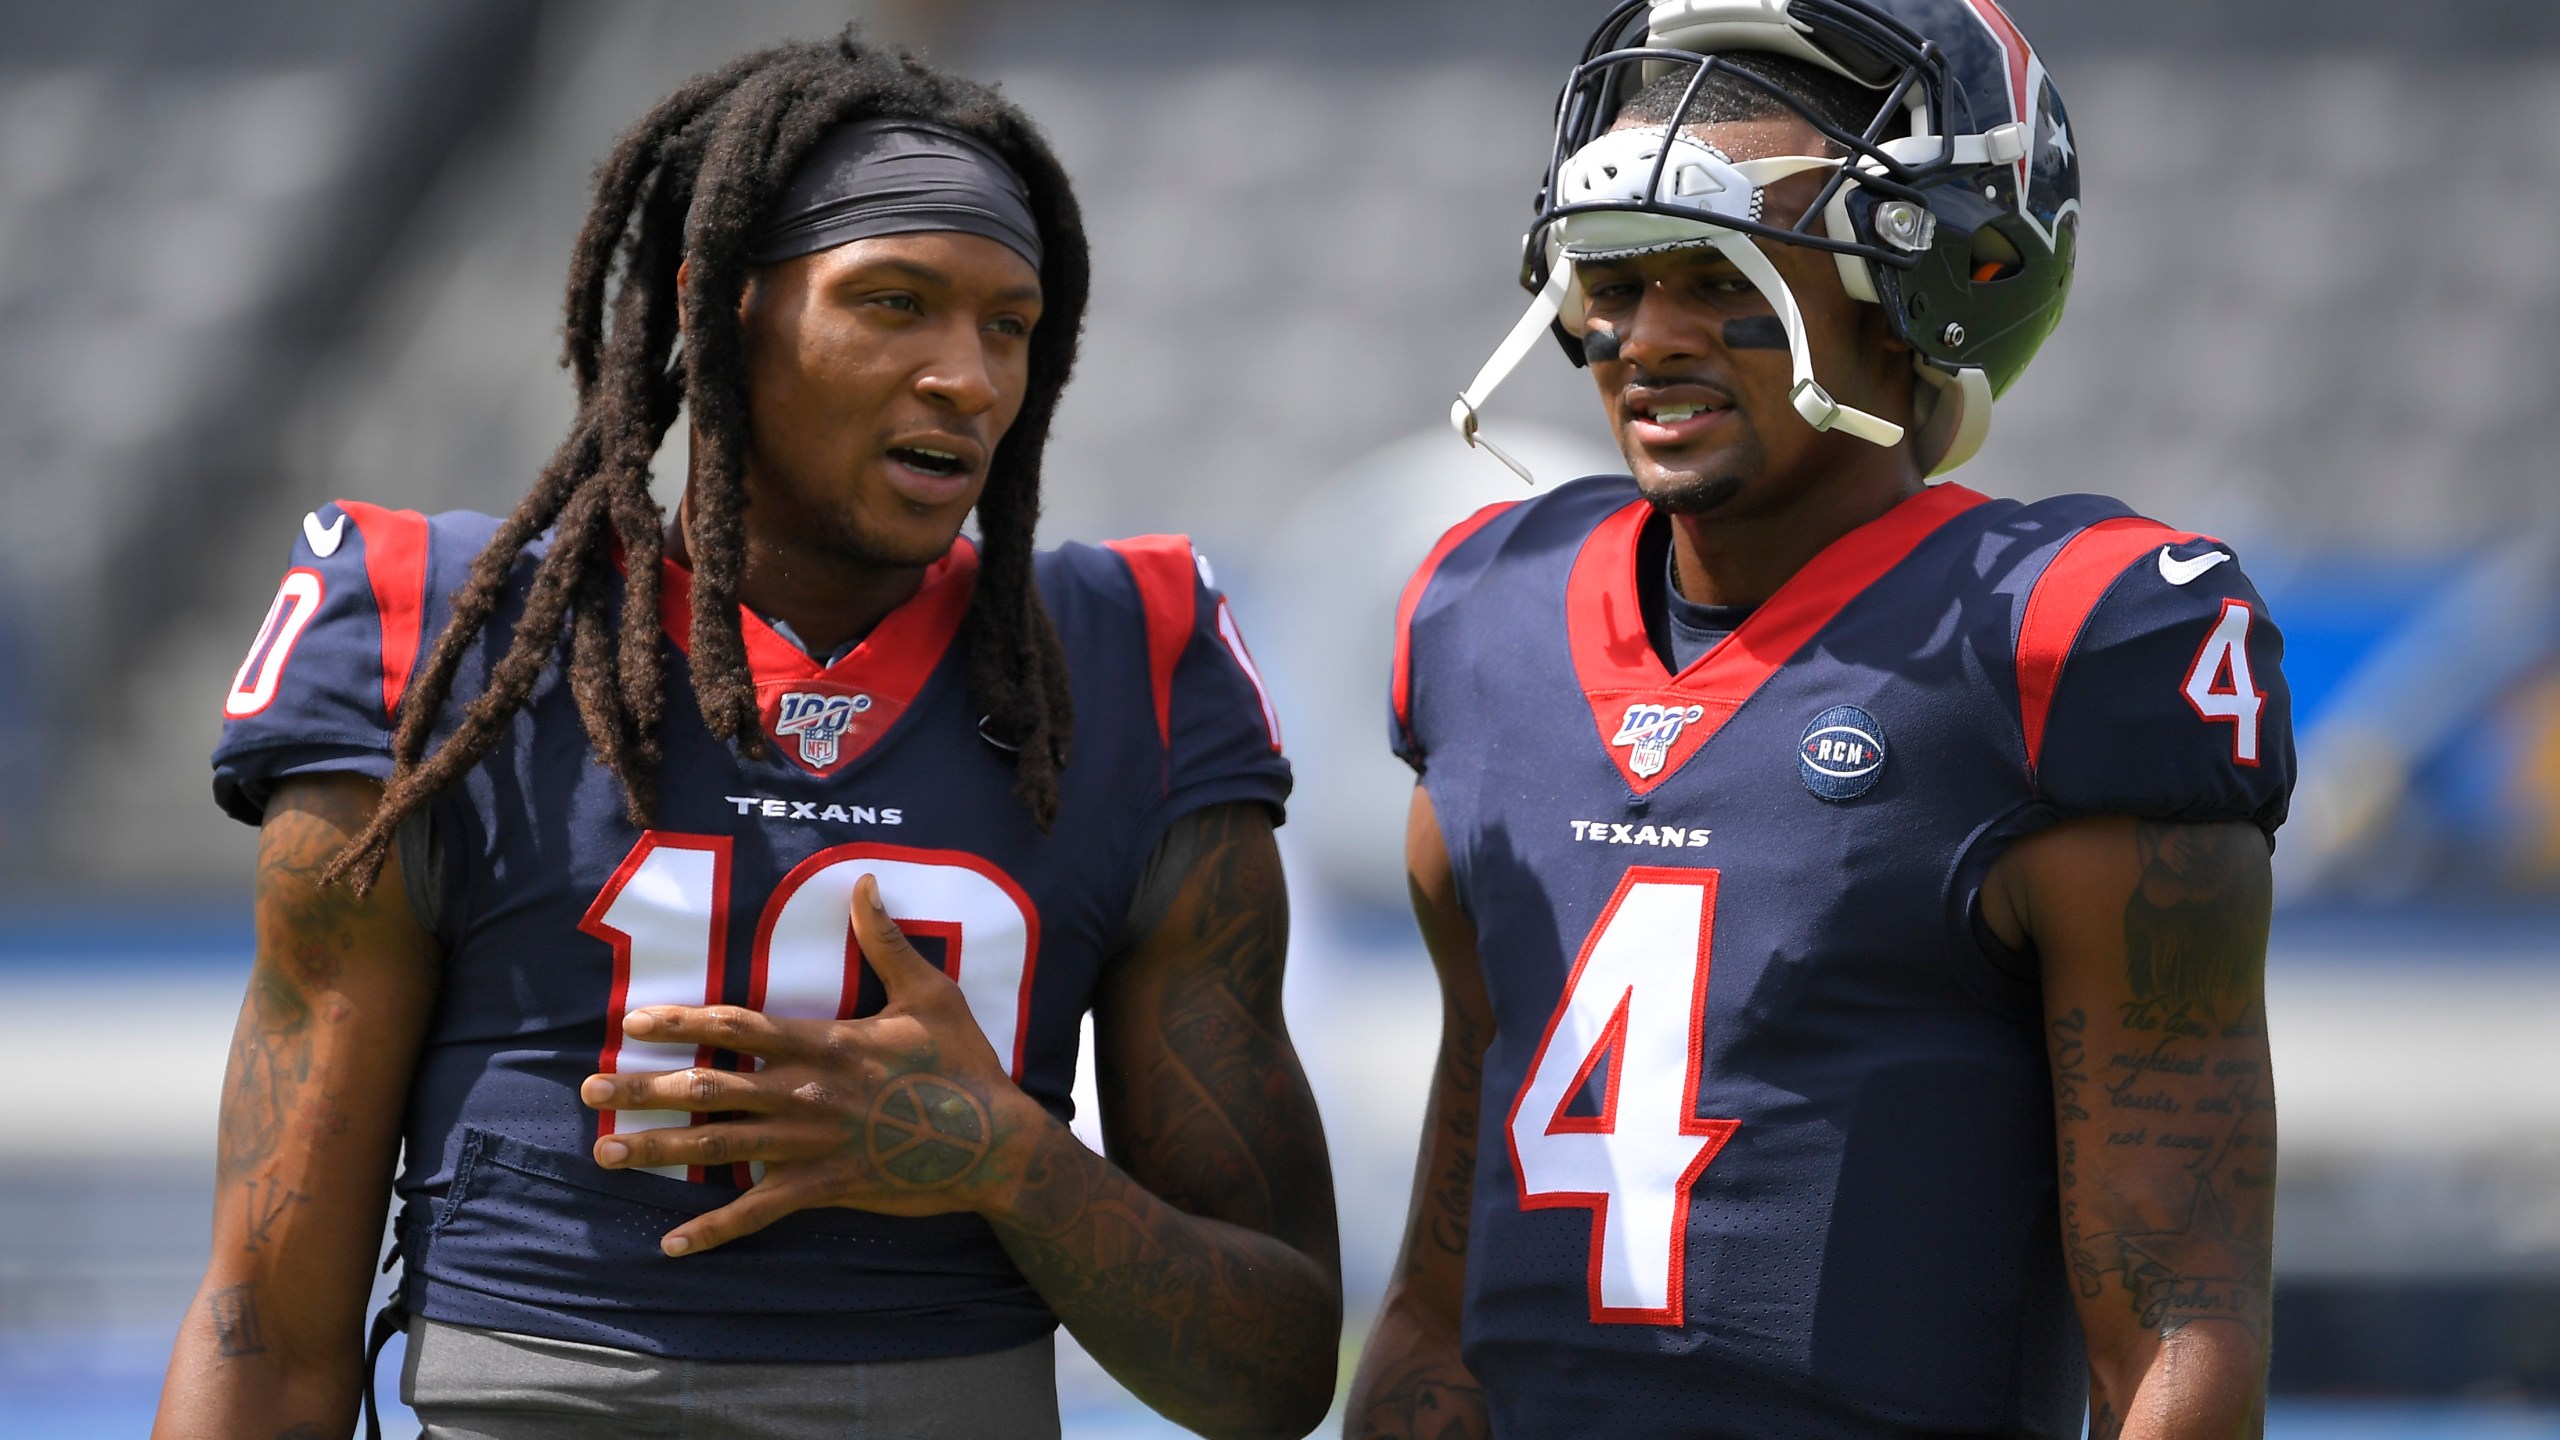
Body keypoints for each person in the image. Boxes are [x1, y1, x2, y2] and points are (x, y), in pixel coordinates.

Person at [156, 35, 1339, 1440]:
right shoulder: (437, 650)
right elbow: (267, 1322)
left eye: (1008, 325)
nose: (965, 376)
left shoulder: (1128, 664)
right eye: (892, 303)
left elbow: (1270, 1375)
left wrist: (1017, 1163)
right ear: (714, 312)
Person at [1350, 2, 2290, 1436]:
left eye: (1717, 272)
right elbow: (1442, 1293)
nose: (1646, 338)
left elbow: (2176, 1324)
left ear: (1923, 286)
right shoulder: (1488, 617)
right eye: (1613, 275)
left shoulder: (2057, 644)